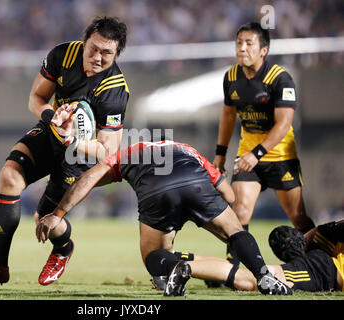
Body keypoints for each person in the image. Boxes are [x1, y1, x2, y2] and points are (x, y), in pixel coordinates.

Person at [0, 16, 129, 285]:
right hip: (52, 129)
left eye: (107, 53)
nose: (98, 58)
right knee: (10, 176)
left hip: (81, 153)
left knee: (45, 220)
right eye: (93, 48)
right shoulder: (62, 55)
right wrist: (51, 118)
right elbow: (36, 98)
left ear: (116, 54)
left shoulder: (115, 90)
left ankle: (63, 248)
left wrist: (72, 141)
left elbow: (106, 151)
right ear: (84, 42)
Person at [36, 140, 292, 296]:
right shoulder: (188, 150)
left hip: (157, 192)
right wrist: (204, 210)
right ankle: (263, 275)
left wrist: (57, 214)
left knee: (152, 256)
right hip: (196, 181)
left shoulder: (126, 154)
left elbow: (87, 179)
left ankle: (173, 268)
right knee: (234, 231)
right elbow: (229, 195)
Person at [212, 22, 315, 271]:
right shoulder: (231, 77)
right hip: (247, 155)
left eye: (249, 44)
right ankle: (233, 266)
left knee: (298, 217)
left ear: (263, 50)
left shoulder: (280, 78)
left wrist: (257, 154)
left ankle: (319, 259)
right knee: (241, 212)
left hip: (280, 156)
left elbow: (283, 124)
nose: (242, 49)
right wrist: (220, 154)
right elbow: (227, 116)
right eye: (239, 43)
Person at [162, 220, 343, 293]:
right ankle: (185, 267)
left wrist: (302, 242)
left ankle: (180, 260)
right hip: (326, 272)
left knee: (255, 276)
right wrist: (303, 242)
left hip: (327, 266)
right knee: (257, 279)